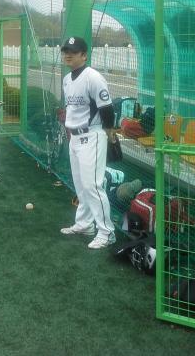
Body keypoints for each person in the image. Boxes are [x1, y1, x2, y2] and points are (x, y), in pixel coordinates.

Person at [59, 36, 118, 249]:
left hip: (92, 135)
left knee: (93, 185)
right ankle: (84, 224)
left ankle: (107, 232)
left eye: (73, 52)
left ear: (84, 55)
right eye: (66, 51)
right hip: (75, 137)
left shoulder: (93, 77)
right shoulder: (67, 79)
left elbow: (107, 109)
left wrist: (109, 133)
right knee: (81, 185)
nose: (68, 55)